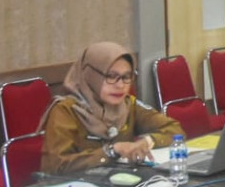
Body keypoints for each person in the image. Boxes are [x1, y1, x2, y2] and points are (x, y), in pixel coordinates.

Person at [41, 42, 181, 174]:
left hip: (121, 185)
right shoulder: (66, 110)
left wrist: (147, 142)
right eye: (111, 76)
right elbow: (57, 165)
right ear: (90, 75)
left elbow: (174, 129)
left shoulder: (128, 105)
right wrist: (111, 151)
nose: (120, 85)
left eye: (126, 77)